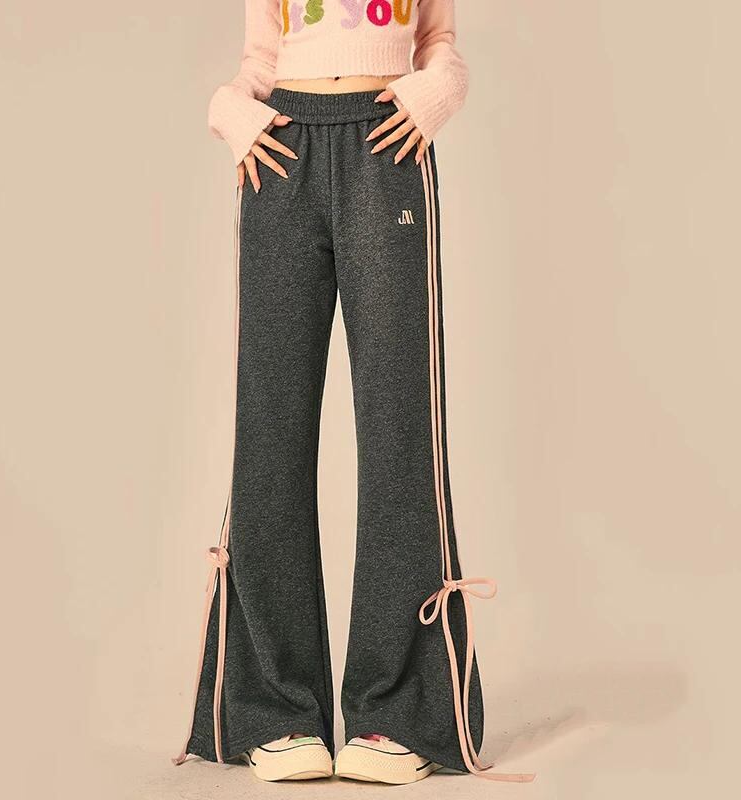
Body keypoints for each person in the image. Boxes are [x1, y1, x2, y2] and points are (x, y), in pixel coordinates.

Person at [172, 0, 534, 786]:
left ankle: (394, 712)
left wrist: (432, 96)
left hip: (386, 145)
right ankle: (277, 709)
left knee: (401, 425)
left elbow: (440, 44)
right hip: (280, 155)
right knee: (269, 428)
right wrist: (231, 114)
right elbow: (259, 62)